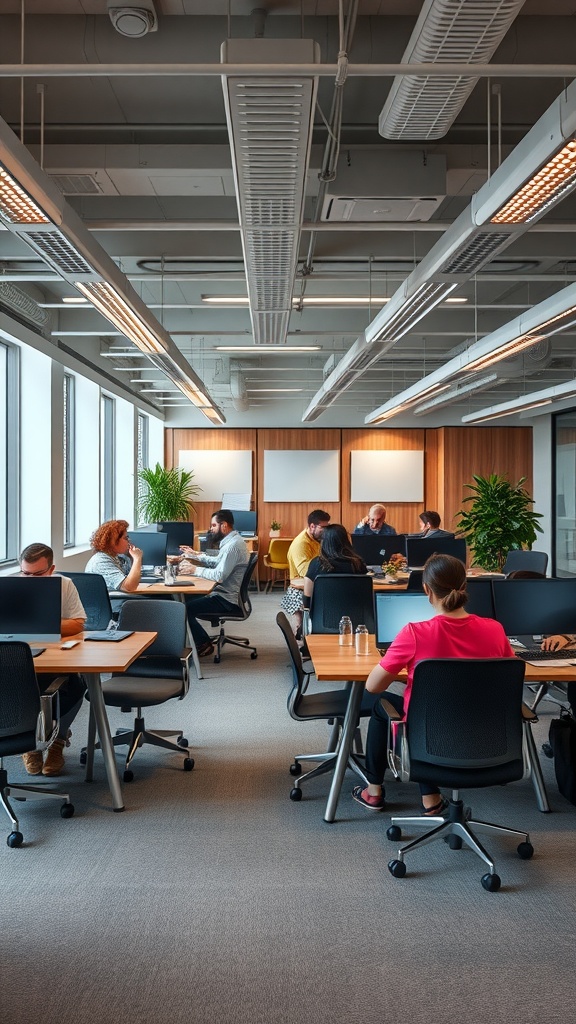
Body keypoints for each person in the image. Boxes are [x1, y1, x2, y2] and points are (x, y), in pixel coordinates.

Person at [352, 553, 514, 813]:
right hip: (488, 735)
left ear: (427, 590)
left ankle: (374, 792)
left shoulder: (414, 633)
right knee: (430, 711)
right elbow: (509, 677)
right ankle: (430, 799)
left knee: (383, 706)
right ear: (464, 586)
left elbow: (373, 686)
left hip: (431, 736)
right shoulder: (495, 629)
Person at [18, 542, 87, 776]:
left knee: (76, 685)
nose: (30, 580)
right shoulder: (9, 587)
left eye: (38, 574)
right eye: (25, 573)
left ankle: (57, 742)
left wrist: (39, 626)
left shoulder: (64, 585)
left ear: (51, 568)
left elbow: (78, 623)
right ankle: (29, 746)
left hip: (54, 655)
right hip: (16, 656)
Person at [179, 509, 249, 658]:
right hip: (226, 594)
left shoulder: (233, 546)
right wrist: (196, 555)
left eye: (213, 525)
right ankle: (192, 641)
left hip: (226, 600)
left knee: (182, 609)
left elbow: (219, 575)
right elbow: (218, 560)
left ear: (224, 525)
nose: (211, 529)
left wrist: (194, 570)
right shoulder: (232, 541)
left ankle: (203, 643)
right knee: (183, 599)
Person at [280, 509, 331, 635]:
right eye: (323, 528)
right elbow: (305, 572)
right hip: (300, 588)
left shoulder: (317, 539)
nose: (326, 531)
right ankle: (301, 635)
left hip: (316, 583)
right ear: (312, 526)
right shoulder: (301, 544)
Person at [303, 523, 367, 610]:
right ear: (346, 541)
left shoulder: (316, 564)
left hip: (321, 619)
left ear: (323, 542)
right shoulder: (358, 563)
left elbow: (307, 601)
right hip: (356, 618)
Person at [85, 520, 144, 612]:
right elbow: (129, 587)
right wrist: (137, 558)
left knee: (165, 598)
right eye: (126, 538)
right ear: (113, 541)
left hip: (120, 601)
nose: (129, 541)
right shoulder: (101, 561)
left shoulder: (115, 557)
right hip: (113, 607)